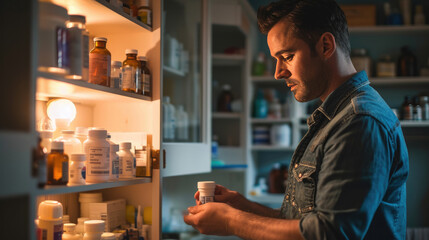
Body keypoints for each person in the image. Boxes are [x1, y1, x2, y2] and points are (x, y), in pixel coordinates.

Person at [183, 0, 409, 239]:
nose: (278, 72)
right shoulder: (335, 117)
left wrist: (231, 222)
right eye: (276, 60)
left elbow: (331, 233)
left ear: (325, 46)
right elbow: (303, 222)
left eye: (287, 56)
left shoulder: (359, 121)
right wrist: (241, 207)